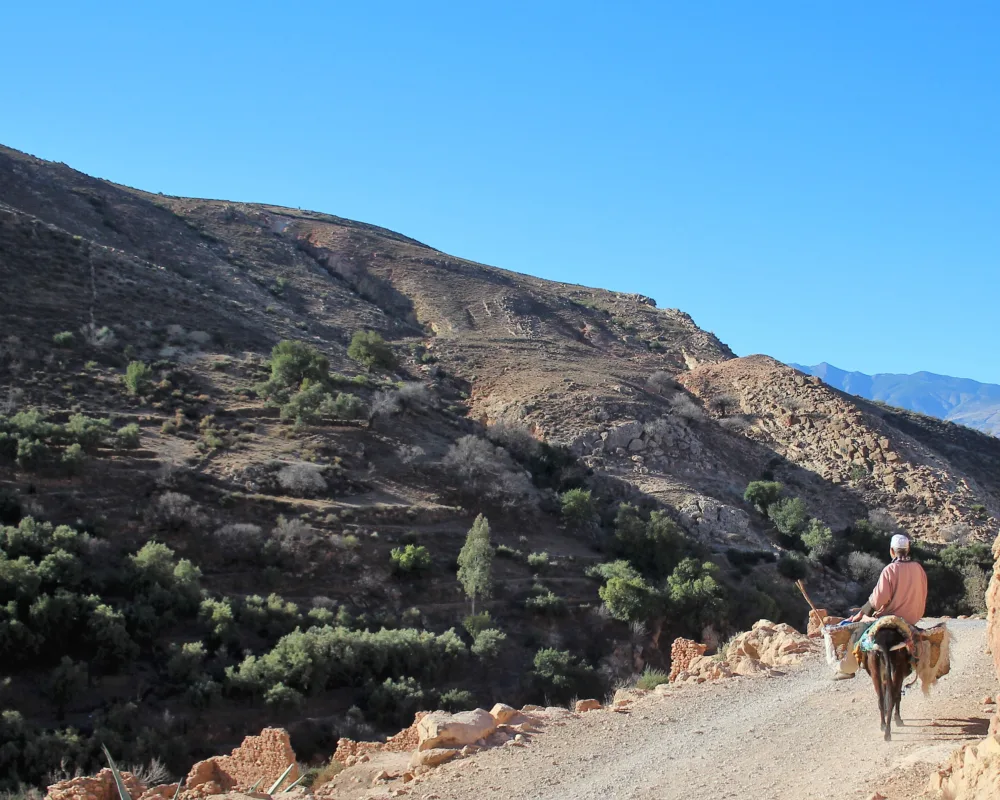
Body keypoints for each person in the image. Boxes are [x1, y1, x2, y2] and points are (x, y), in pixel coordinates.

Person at [831, 533, 928, 680]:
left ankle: (848, 669)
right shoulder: (919, 569)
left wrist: (862, 613)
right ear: (908, 550)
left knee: (858, 633)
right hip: (912, 620)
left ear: (892, 551)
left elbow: (878, 599)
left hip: (891, 619)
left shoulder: (890, 569)